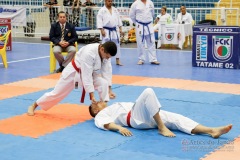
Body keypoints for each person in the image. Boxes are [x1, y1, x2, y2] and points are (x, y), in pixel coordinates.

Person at [89, 88, 232, 138]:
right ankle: (161, 127)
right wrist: (119, 128)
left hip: (146, 114)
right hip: (135, 118)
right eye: (96, 103)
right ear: (95, 110)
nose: (99, 100)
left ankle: (212, 130)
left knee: (178, 119)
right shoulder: (101, 114)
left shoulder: (112, 106)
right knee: (148, 91)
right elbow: (105, 124)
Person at [27, 41, 117, 116]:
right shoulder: (89, 53)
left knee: (104, 83)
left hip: (89, 74)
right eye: (107, 56)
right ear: (102, 49)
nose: (107, 58)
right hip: (73, 73)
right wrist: (92, 95)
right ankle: (34, 105)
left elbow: (107, 71)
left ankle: (103, 109)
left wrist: (109, 90)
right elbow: (86, 75)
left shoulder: (105, 53)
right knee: (56, 93)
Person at [129, 0, 160, 65]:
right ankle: (141, 59)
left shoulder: (150, 3)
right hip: (140, 25)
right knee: (140, 43)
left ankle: (153, 59)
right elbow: (131, 15)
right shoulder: (135, 3)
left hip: (149, 25)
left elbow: (152, 13)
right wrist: (137, 23)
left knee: (151, 42)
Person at [97, 0, 123, 66]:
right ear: (105, 1)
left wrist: (120, 29)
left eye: (111, 1)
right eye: (109, 1)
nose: (110, 2)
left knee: (117, 44)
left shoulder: (115, 10)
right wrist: (101, 30)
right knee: (105, 45)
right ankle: (104, 60)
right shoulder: (102, 10)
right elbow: (99, 21)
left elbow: (119, 20)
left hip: (114, 30)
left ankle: (118, 60)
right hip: (106, 30)